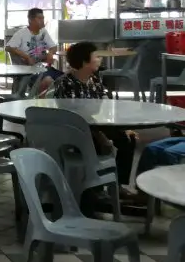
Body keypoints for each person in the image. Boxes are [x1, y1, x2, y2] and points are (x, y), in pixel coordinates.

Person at [51, 41, 138, 203]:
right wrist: (100, 136)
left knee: (128, 139)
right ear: (84, 62)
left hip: (95, 125)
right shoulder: (66, 83)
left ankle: (118, 187)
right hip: (74, 130)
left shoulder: (94, 81)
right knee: (98, 145)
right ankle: (94, 188)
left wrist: (123, 128)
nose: (100, 60)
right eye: (96, 57)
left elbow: (105, 107)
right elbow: (74, 118)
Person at [7, 8, 61, 94]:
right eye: (39, 18)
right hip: (29, 71)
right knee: (48, 81)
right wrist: (27, 57)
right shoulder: (21, 33)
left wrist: (50, 53)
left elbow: (54, 46)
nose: (42, 20)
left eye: (43, 18)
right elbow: (9, 47)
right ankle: (40, 103)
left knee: (66, 78)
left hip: (43, 68)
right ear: (30, 20)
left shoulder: (43, 32)